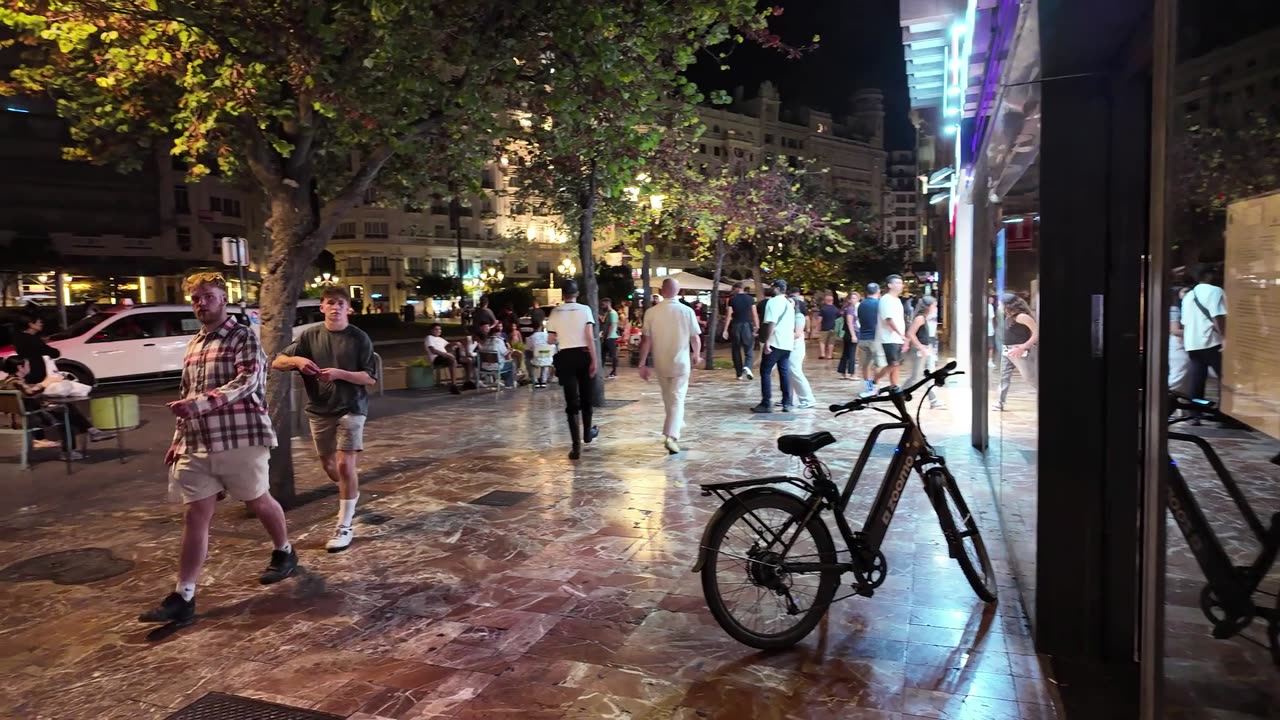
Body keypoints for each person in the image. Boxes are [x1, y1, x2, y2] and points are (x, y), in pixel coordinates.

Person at [139, 272, 296, 625]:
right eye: (195, 298)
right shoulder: (194, 343)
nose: (201, 303)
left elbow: (248, 381)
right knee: (195, 514)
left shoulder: (243, 337)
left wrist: (200, 405)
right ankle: (184, 595)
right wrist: (178, 439)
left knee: (258, 500)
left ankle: (284, 551)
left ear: (224, 298)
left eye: (208, 296)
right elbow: (185, 392)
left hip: (240, 436)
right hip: (197, 442)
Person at [273, 286, 378, 553]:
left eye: (341, 303)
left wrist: (341, 374)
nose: (335, 307)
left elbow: (369, 378)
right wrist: (297, 360)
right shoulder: (310, 336)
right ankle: (350, 495)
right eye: (330, 302)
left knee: (344, 465)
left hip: (352, 407)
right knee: (330, 466)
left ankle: (344, 525)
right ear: (322, 307)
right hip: (320, 409)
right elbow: (277, 362)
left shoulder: (359, 338)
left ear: (348, 308)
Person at [1, 356, 114, 459]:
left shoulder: (6, 382)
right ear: (20, 367)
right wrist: (45, 383)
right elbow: (30, 393)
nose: (29, 367)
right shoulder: (16, 382)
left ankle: (91, 433)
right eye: (27, 365)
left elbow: (27, 399)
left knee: (65, 409)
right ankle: (72, 448)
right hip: (29, 419)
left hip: (20, 417)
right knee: (66, 414)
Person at [637, 278, 702, 455]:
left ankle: (675, 424)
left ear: (661, 290)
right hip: (681, 362)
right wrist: (696, 354)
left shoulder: (651, 312)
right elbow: (695, 337)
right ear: (679, 291)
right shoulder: (686, 311)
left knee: (669, 398)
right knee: (677, 397)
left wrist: (642, 363)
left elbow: (646, 340)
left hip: (660, 362)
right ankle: (671, 435)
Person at [546, 280, 600, 460]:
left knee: (571, 402)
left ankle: (576, 446)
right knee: (586, 397)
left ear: (563, 295)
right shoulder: (585, 310)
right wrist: (594, 359)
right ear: (578, 294)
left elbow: (551, 340)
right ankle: (587, 433)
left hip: (566, 357)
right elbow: (589, 337)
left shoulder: (555, 312)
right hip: (583, 354)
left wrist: (562, 335)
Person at [1180, 265, 1226, 418]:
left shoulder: (1189, 296)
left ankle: (1195, 413)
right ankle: (1223, 414)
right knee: (1225, 378)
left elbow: (1185, 321)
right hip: (1212, 341)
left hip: (1193, 342)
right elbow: (1217, 316)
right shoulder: (1215, 291)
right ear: (1208, 276)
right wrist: (1225, 338)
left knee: (1197, 379)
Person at [752, 279, 795, 413]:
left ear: (776, 288)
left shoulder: (773, 302)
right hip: (787, 343)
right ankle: (787, 402)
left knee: (765, 371)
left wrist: (767, 341)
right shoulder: (789, 303)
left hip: (775, 342)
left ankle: (766, 403)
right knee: (784, 372)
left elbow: (771, 322)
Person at [995, 293, 1039, 411]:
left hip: (1020, 351)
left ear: (1008, 305)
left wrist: (1023, 347)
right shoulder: (1007, 316)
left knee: (1030, 378)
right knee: (1004, 377)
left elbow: (1036, 333)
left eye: (1001, 303)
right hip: (1007, 350)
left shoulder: (1022, 317)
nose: (998, 305)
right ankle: (1000, 402)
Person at [903, 297, 944, 409]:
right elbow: (911, 333)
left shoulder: (924, 318)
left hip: (924, 349)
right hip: (919, 351)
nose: (935, 308)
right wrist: (920, 346)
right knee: (915, 377)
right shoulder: (920, 318)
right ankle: (900, 394)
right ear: (928, 306)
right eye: (934, 306)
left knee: (929, 376)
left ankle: (934, 401)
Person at [870, 275, 907, 393]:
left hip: (897, 338)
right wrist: (900, 333)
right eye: (896, 283)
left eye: (901, 283)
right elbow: (888, 319)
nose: (900, 285)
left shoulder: (897, 300)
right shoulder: (886, 299)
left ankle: (894, 387)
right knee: (893, 363)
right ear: (890, 285)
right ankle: (875, 380)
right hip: (888, 337)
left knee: (896, 365)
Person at [786, 287, 817, 409]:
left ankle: (808, 398)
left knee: (795, 370)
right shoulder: (790, 316)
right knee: (788, 371)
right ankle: (788, 397)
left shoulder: (799, 316)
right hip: (790, 345)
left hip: (796, 346)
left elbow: (797, 334)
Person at [722, 282, 758, 381]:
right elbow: (754, 314)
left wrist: (725, 329)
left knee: (736, 350)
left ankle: (739, 374)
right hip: (747, 325)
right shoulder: (750, 299)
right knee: (749, 349)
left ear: (737, 289)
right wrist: (757, 326)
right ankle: (747, 366)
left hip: (736, 326)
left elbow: (729, 315)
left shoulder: (732, 300)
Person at [12, 312, 61, 385]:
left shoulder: (17, 338)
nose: (41, 324)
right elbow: (54, 353)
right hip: (37, 374)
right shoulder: (33, 340)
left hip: (25, 374)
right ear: (31, 324)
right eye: (39, 322)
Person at [423, 323, 469, 395]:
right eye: (436, 329)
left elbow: (448, 344)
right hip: (437, 358)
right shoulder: (429, 338)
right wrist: (446, 354)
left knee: (465, 359)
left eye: (440, 329)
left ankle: (467, 382)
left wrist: (456, 343)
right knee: (452, 360)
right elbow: (433, 350)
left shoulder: (440, 339)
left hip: (445, 357)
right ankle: (453, 385)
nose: (439, 331)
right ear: (431, 330)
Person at [855, 283, 885, 393]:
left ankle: (868, 387)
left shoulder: (861, 305)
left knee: (866, 365)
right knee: (879, 364)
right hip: (875, 338)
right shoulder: (880, 304)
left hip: (863, 338)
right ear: (878, 291)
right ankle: (875, 387)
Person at [1168, 286, 1190, 397]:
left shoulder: (1181, 307)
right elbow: (1174, 330)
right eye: (1185, 291)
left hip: (1179, 344)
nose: (1188, 293)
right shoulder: (1175, 308)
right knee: (1178, 376)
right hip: (1177, 345)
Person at [837, 292, 860, 379]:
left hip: (848, 333)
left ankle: (843, 372)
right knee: (852, 353)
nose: (854, 300)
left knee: (846, 353)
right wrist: (853, 335)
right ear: (849, 300)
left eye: (856, 298)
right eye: (853, 298)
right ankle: (852, 373)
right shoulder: (850, 310)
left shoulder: (848, 309)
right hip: (852, 332)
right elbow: (849, 322)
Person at [527, 323, 555, 388]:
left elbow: (529, 348)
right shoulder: (548, 336)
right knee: (545, 364)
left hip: (536, 360)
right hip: (548, 360)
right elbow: (553, 347)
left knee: (529, 360)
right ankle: (543, 381)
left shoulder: (531, 337)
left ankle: (535, 381)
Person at [600, 298, 620, 379]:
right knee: (603, 354)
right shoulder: (608, 313)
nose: (602, 306)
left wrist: (608, 336)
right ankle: (601, 371)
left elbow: (612, 325)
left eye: (603, 304)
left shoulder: (612, 313)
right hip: (607, 336)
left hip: (610, 337)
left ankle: (614, 371)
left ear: (608, 304)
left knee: (612, 355)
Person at [817, 293, 841, 360]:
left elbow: (819, 319)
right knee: (831, 342)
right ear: (832, 300)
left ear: (826, 300)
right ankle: (829, 355)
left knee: (822, 341)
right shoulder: (836, 309)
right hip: (833, 328)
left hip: (824, 328)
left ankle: (822, 354)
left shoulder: (823, 309)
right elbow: (839, 319)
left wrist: (818, 327)